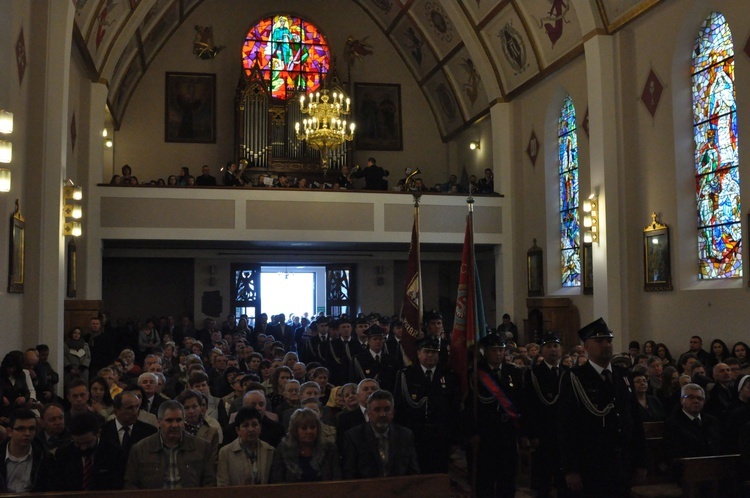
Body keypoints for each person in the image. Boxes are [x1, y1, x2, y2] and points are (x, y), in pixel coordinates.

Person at [557, 318, 646, 497]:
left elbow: (634, 420)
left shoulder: (624, 375)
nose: (606, 345)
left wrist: (640, 463)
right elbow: (567, 425)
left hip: (622, 462)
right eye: (599, 341)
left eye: (609, 341)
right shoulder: (575, 377)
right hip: (590, 462)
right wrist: (571, 469)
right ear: (586, 347)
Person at [465, 333, 523, 497]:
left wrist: (522, 433)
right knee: (485, 479)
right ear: (486, 351)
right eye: (494, 350)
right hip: (485, 433)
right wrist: (472, 432)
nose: (498, 353)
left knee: (507, 479)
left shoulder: (513, 372)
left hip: (508, 432)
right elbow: (469, 406)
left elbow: (520, 403)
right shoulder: (476, 374)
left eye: (501, 350)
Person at [393, 336, 460, 474]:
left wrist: (455, 438)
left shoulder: (449, 376)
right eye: (426, 351)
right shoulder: (406, 375)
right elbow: (399, 407)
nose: (430, 355)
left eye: (434, 352)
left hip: (440, 436)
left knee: (438, 476)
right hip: (414, 435)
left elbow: (455, 409)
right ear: (418, 353)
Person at [124, 399, 217, 489]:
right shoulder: (140, 449)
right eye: (169, 420)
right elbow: (131, 484)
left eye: (179, 420)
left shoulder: (202, 447)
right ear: (159, 422)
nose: (175, 425)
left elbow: (209, 482)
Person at [521, 333, 565, 497]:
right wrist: (531, 433)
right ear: (541, 351)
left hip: (563, 434)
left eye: (556, 346)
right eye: (549, 346)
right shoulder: (533, 374)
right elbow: (528, 407)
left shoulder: (568, 373)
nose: (553, 350)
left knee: (565, 482)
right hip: (542, 434)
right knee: (542, 482)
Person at [342, 389, 419, 479]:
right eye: (377, 410)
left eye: (387, 410)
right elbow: (350, 474)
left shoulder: (405, 435)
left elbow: (414, 472)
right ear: (369, 414)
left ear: (393, 413)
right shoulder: (354, 437)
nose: (383, 414)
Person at [51, 411, 124, 491]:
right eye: (78, 443)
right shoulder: (63, 455)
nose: (83, 448)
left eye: (88, 442)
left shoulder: (114, 453)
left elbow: (117, 486)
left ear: (98, 433)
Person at [269, 407, 341, 483]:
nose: (309, 431)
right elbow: (277, 480)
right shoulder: (283, 449)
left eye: (312, 427)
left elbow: (337, 478)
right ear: (295, 430)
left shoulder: (329, 448)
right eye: (304, 428)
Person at [663, 383, 722, 464]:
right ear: (681, 400)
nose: (696, 401)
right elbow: (673, 454)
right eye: (690, 397)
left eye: (699, 398)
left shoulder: (713, 421)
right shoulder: (673, 423)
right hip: (688, 468)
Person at [218, 407, 275, 486]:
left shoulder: (270, 451)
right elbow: (223, 485)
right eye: (245, 425)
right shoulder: (225, 452)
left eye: (255, 425)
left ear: (260, 427)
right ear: (237, 430)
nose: (251, 429)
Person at [0, 409, 54, 492]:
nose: (27, 433)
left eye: (31, 429)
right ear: (10, 432)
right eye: (21, 429)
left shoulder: (44, 457)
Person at [99, 392, 157, 463]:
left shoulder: (149, 432)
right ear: (116, 411)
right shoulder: (103, 430)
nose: (135, 412)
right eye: (130, 408)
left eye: (137, 407)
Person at [350, 326, 398, 391]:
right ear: (369, 341)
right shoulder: (359, 359)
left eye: (380, 339)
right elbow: (355, 381)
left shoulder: (391, 359)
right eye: (375, 339)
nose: (378, 342)